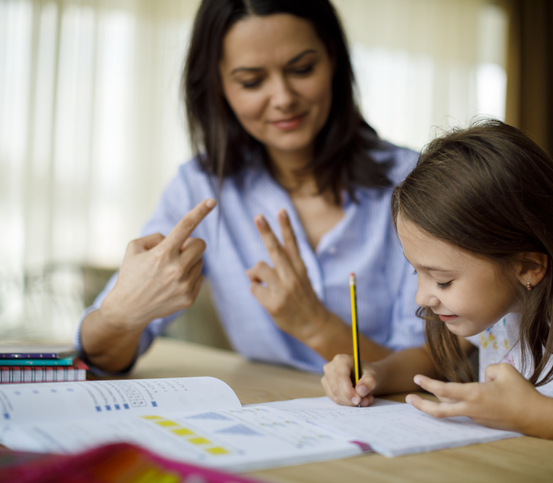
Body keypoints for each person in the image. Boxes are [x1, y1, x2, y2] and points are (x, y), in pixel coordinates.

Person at [75, 0, 424, 374]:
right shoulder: (201, 188)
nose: (284, 98)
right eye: (251, 81)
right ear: (219, 85)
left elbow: (438, 362)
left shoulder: (416, 180)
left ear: (334, 61)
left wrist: (315, 326)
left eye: (303, 69)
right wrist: (120, 313)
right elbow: (99, 358)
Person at [321, 119, 553, 452]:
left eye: (443, 280)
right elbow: (429, 358)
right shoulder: (499, 309)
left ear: (527, 266)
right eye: (417, 272)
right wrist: (376, 373)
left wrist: (538, 415)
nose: (423, 297)